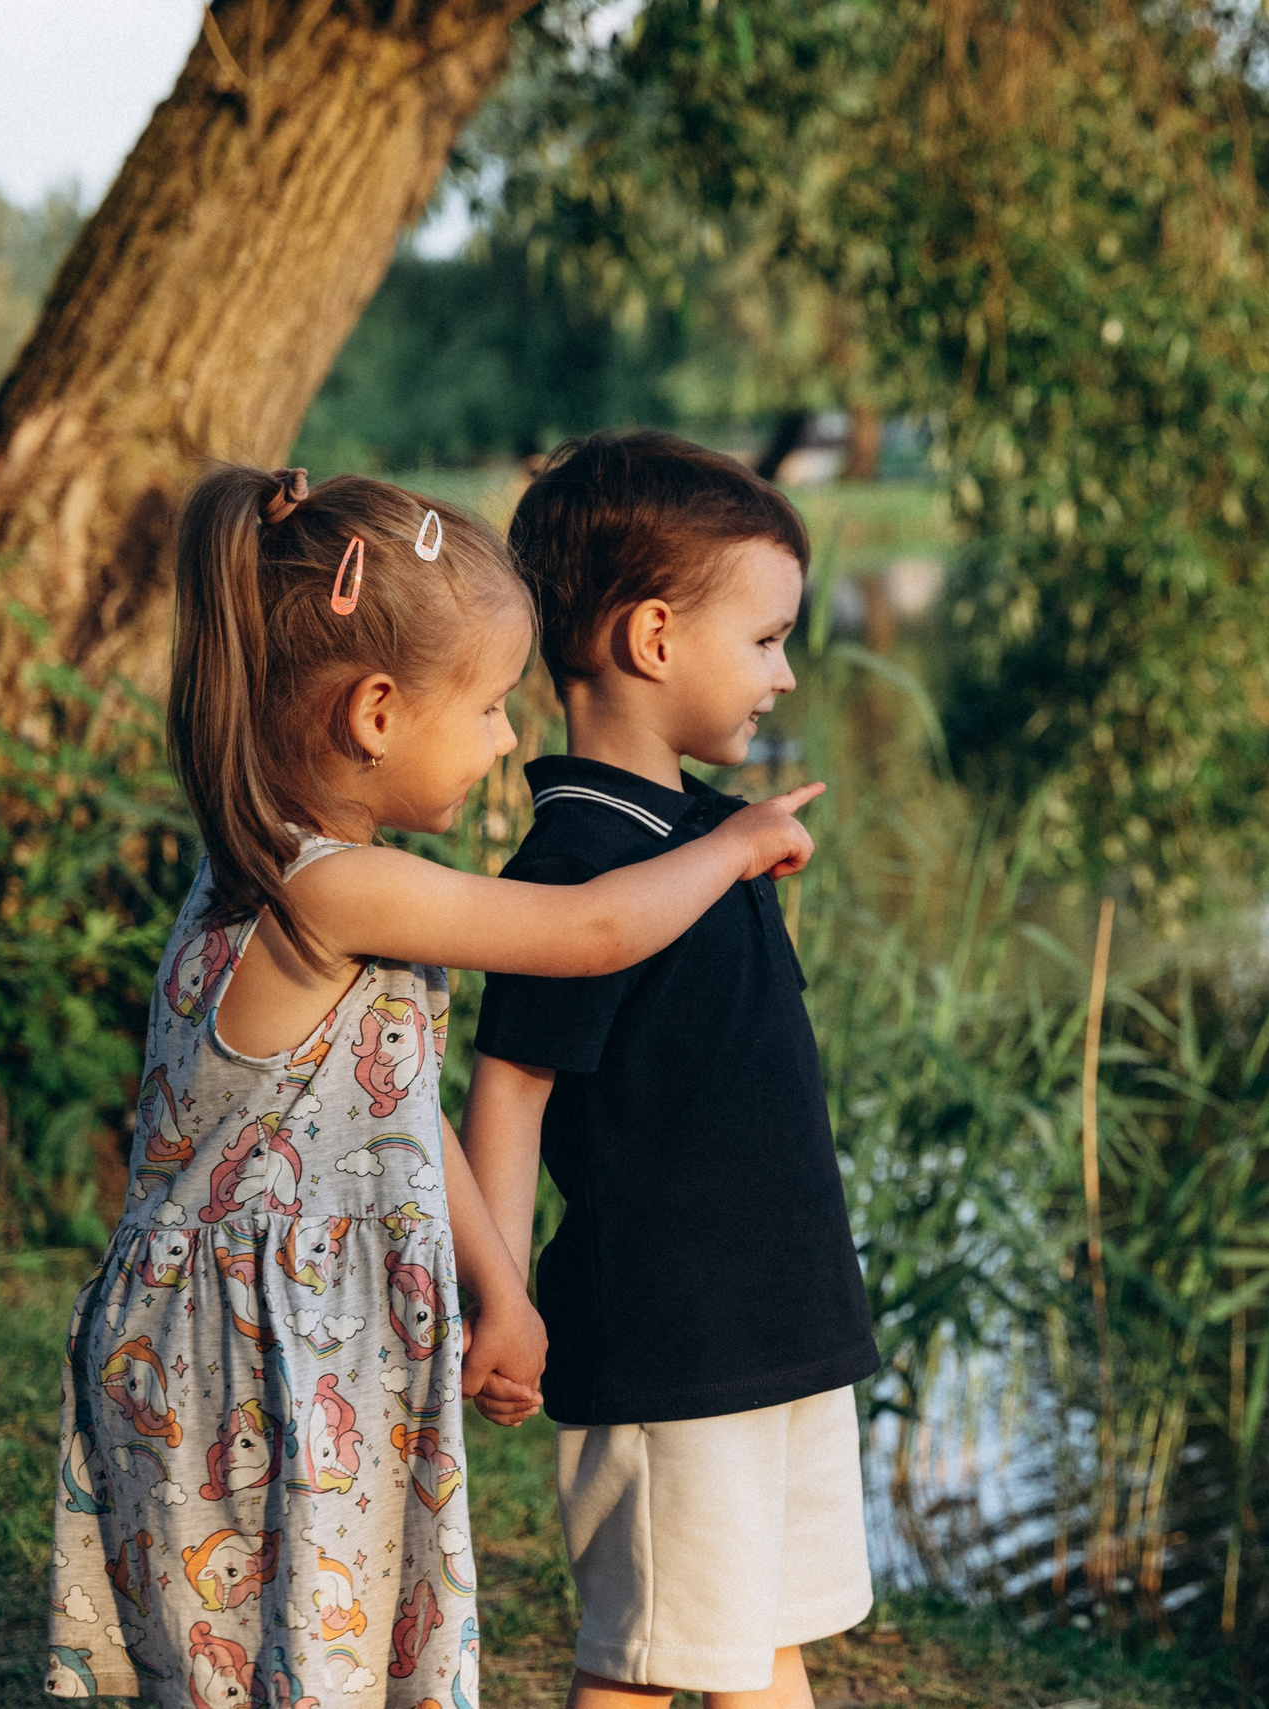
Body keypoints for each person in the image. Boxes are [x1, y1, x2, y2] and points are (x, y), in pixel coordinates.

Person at [44, 464, 822, 1709]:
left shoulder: (301, 876)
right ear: (376, 712)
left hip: (290, 1336)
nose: (511, 738)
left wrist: (499, 1286)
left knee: (315, 1640)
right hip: (244, 1358)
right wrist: (726, 846)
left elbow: (395, 1108)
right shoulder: (328, 887)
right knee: (268, 1650)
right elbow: (588, 932)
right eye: (492, 706)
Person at [459, 432, 880, 1709]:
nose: (784, 672)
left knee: (765, 1640)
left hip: (777, 1327)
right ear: (652, 637)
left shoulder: (709, 830)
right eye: (765, 640)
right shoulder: (581, 862)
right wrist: (502, 1297)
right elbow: (512, 1084)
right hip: (669, 1341)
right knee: (646, 1665)